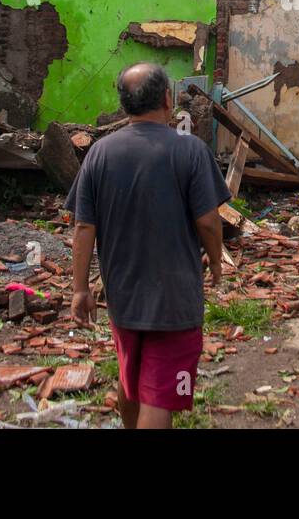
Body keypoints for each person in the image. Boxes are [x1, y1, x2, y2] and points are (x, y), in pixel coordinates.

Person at [68, 62, 228, 429]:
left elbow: (83, 225)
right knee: (159, 398)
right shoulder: (190, 151)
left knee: (132, 381)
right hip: (175, 300)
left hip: (123, 297)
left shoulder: (99, 154)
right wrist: (216, 262)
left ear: (124, 104)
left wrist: (79, 290)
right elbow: (208, 221)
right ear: (168, 100)